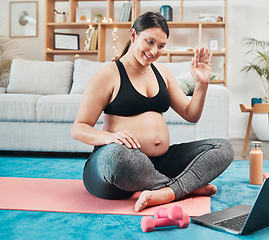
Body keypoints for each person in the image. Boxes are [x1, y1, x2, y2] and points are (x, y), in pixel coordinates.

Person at [71, 11, 234, 212]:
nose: (154, 51)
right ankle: (183, 186)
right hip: (115, 167)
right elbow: (78, 128)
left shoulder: (162, 73)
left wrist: (202, 84)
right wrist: (109, 138)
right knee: (118, 158)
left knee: (223, 148)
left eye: (161, 46)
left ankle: (167, 191)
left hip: (158, 164)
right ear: (133, 36)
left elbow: (191, 115)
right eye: (149, 42)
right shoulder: (108, 74)